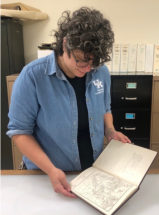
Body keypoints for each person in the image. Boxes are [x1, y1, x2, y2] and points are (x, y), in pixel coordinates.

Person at [7, 7, 130, 198]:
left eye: (94, 63)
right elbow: (19, 132)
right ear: (65, 44)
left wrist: (110, 131)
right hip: (47, 175)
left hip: (92, 171)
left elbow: (105, 108)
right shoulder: (32, 76)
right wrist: (50, 170)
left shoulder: (101, 72)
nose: (88, 69)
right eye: (82, 61)